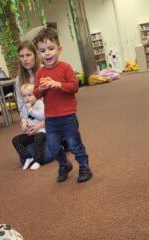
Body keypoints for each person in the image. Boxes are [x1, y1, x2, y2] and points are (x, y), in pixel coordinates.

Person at [33, 28, 93, 183]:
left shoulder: (66, 68)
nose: (47, 53)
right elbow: (36, 93)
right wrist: (41, 88)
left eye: (51, 49)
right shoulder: (40, 73)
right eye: (42, 50)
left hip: (67, 117)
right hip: (51, 119)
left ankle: (85, 167)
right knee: (53, 148)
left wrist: (57, 84)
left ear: (59, 50)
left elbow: (74, 87)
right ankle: (64, 164)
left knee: (74, 145)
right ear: (39, 54)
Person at [12, 83, 46, 170]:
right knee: (16, 140)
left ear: (36, 95)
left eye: (30, 95)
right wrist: (23, 124)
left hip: (42, 131)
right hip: (30, 133)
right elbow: (23, 117)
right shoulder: (24, 107)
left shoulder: (39, 103)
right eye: (24, 96)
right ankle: (28, 157)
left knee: (38, 138)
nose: (27, 98)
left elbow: (41, 116)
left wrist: (30, 110)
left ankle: (38, 161)